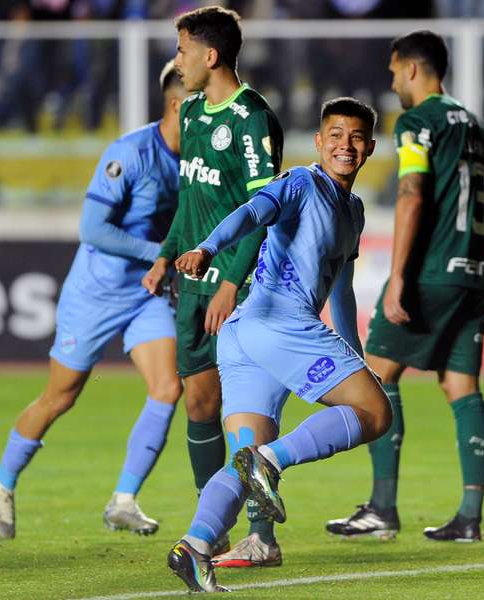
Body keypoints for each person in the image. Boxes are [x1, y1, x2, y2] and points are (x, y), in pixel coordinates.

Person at [165, 96, 390, 593]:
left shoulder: (351, 210)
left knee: (240, 459)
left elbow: (342, 290)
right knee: (375, 414)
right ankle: (272, 461)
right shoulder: (299, 183)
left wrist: (354, 354)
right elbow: (251, 212)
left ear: (371, 146)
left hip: (245, 334)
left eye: (355, 137)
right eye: (335, 135)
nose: (344, 146)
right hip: (278, 323)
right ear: (318, 141)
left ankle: (196, 546)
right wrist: (208, 247)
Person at [0, 60, 187, 540]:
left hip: (148, 293)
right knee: (61, 396)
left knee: (167, 388)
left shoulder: (197, 161)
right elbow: (92, 229)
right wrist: (158, 252)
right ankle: (3, 480)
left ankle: (124, 499)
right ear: (181, 104)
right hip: (97, 292)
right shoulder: (131, 152)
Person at [325, 30, 484, 543]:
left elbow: (411, 196)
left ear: (415, 69)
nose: (393, 80)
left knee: (375, 377)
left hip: (431, 272)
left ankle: (381, 507)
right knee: (460, 385)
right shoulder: (474, 126)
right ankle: (469, 516)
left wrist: (398, 277)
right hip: (476, 273)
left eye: (396, 70)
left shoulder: (418, 122)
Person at [141, 6, 285, 568]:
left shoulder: (251, 118)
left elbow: (263, 210)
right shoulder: (195, 112)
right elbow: (190, 200)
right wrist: (162, 256)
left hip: (239, 290)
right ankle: (213, 523)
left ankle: (261, 537)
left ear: (210, 55)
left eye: (181, 51)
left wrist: (233, 280)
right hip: (192, 287)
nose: (176, 61)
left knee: (245, 412)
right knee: (199, 402)